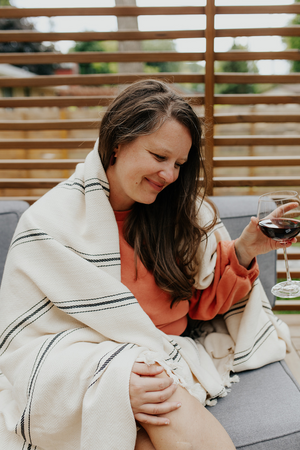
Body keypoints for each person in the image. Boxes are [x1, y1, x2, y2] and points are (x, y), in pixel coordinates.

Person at [0, 80, 292, 450]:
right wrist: (117, 379)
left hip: (164, 357)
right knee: (152, 388)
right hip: (91, 363)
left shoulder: (178, 215)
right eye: (159, 157)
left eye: (179, 164)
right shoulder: (49, 223)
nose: (169, 175)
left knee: (149, 405)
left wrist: (246, 249)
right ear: (118, 143)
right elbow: (26, 343)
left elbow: (202, 306)